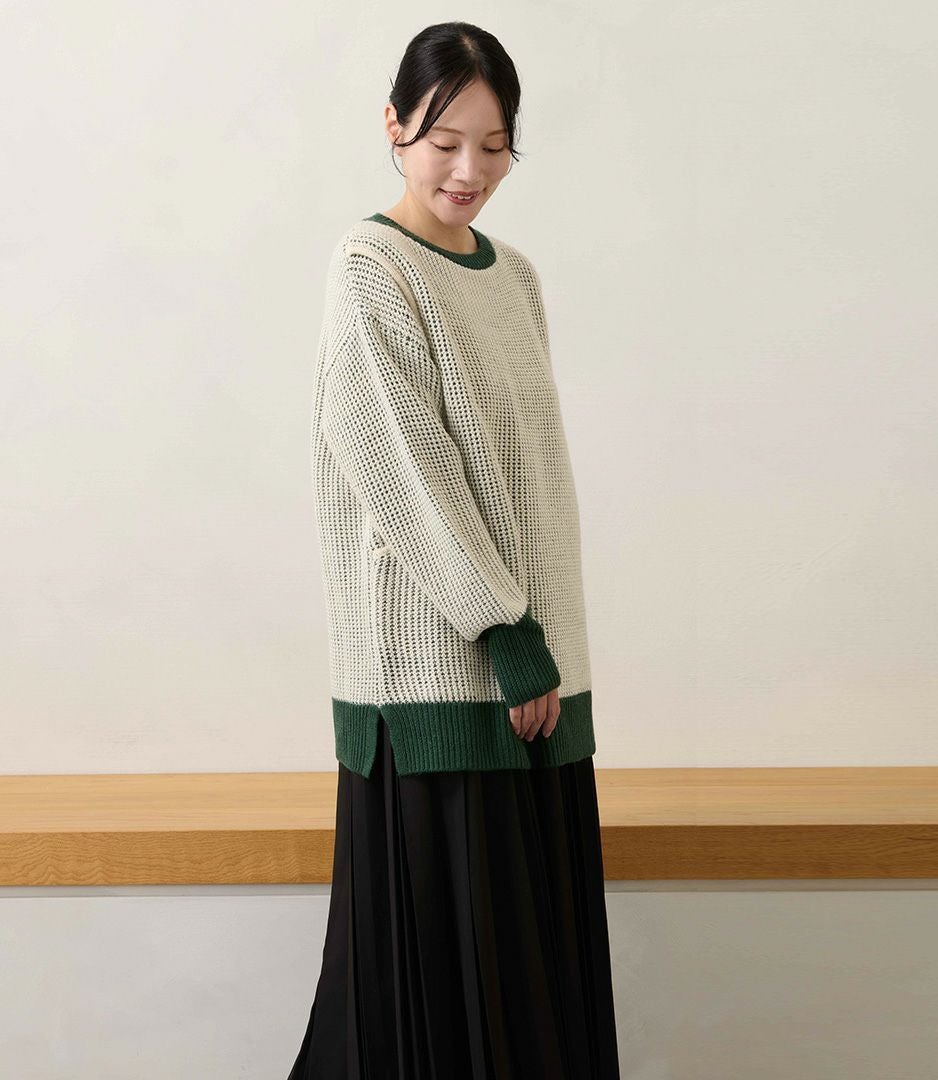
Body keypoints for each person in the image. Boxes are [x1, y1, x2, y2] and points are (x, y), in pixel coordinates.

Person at [287, 20, 621, 1079]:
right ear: (393, 127)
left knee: (532, 994)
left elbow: (533, 479)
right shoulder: (370, 268)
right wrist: (506, 634)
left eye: (494, 145)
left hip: (537, 684)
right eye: (443, 142)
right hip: (436, 682)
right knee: (446, 1006)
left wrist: (546, 653)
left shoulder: (513, 275)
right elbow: (404, 473)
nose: (468, 170)